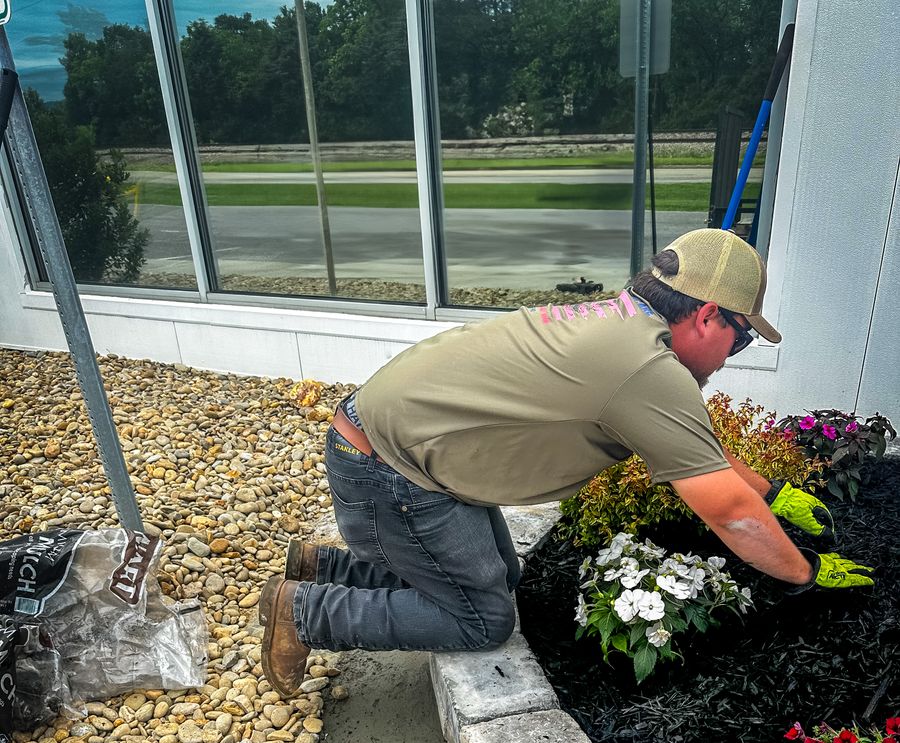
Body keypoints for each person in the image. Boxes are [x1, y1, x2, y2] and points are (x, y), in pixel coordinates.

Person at [259, 227, 873, 698]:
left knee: (499, 577)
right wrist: (805, 576)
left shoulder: (625, 326)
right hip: (392, 473)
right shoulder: (643, 367)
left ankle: (321, 565)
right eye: (740, 339)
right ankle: (305, 611)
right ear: (709, 314)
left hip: (404, 453)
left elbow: (702, 454)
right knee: (480, 618)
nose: (734, 354)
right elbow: (728, 513)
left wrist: (773, 495)